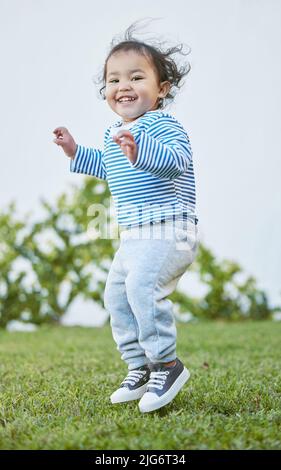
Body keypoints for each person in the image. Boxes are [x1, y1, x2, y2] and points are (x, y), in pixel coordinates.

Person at [53, 20, 199, 413]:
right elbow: (111, 168)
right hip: (134, 236)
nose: (124, 86)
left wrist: (140, 152)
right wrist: (75, 152)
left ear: (161, 89)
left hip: (171, 229)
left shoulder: (164, 125)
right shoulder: (114, 133)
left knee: (141, 291)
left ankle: (168, 365)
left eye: (137, 76)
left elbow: (176, 162)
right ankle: (140, 366)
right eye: (114, 80)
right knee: (116, 297)